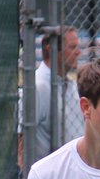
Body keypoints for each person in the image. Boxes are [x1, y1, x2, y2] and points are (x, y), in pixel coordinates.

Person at [18, 26, 84, 164]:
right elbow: (21, 140)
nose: (79, 52)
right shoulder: (37, 87)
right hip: (48, 177)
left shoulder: (72, 86)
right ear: (51, 49)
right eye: (72, 47)